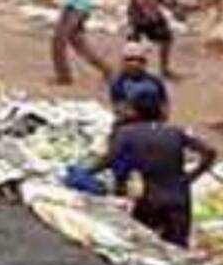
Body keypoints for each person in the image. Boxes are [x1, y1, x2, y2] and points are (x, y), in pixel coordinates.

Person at [84, 91, 216, 248]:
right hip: (179, 197)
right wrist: (192, 176)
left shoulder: (127, 133)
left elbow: (108, 160)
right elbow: (210, 151)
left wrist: (85, 173)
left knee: (144, 244)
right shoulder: (175, 131)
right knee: (178, 247)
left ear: (135, 111)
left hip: (151, 197)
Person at [109, 41, 171, 121]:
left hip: (155, 120)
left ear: (145, 62)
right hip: (131, 122)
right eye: (130, 59)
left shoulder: (154, 80)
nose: (135, 63)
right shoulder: (118, 82)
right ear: (123, 62)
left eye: (140, 60)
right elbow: (120, 107)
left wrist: (162, 117)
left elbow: (164, 103)